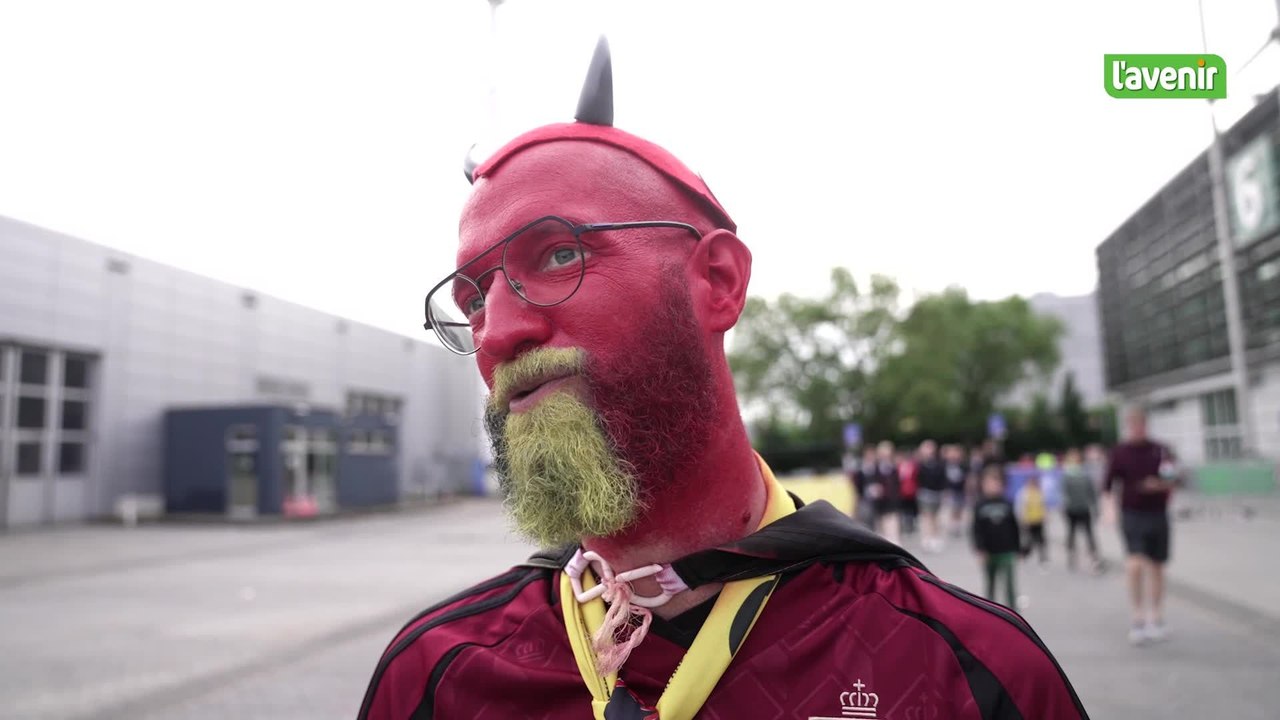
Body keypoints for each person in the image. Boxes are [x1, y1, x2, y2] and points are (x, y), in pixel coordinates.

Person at [359, 37, 1088, 719]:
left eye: (557, 256)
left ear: (717, 281)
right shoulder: (432, 677)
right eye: (475, 300)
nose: (500, 331)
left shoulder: (968, 671)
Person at [1104, 407, 1181, 646]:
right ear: (1128, 427)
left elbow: (1173, 479)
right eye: (1133, 425)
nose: (1137, 429)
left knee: (1157, 566)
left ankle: (1156, 617)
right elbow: (1107, 485)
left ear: (1146, 425)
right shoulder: (1120, 452)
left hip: (1157, 513)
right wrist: (1109, 510)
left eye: (1141, 425)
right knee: (1135, 564)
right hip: (1132, 514)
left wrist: (1158, 485)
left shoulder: (1160, 450)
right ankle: (1137, 617)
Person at [972, 466, 1023, 610]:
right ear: (983, 485)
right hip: (989, 551)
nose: (993, 487)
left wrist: (1018, 549)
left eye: (996, 483)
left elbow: (1015, 527)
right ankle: (990, 610)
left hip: (1006, 550)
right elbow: (976, 529)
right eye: (989, 483)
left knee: (1009, 583)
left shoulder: (1007, 503)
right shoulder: (980, 505)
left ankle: (1013, 610)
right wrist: (980, 549)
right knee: (990, 583)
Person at [1060, 447, 1104, 574]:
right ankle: (1071, 555)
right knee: (1071, 533)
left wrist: (1095, 508)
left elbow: (1092, 493)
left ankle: (1094, 558)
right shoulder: (1066, 474)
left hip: (1084, 508)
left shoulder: (1085, 474)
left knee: (1089, 534)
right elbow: (1062, 492)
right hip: (1071, 509)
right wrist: (1064, 506)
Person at [915, 439, 948, 552]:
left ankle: (935, 537)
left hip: (937, 493)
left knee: (935, 517)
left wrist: (944, 491)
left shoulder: (939, 463)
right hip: (924, 493)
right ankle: (926, 538)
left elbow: (943, 479)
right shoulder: (919, 464)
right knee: (926, 516)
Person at [1016, 474, 1049, 569]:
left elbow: (1043, 505)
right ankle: (1023, 555)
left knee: (1041, 540)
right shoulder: (1023, 493)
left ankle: (1043, 558)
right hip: (1028, 520)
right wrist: (1022, 518)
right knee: (1028, 541)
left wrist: (1045, 515)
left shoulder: (1039, 492)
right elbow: (1020, 507)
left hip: (1038, 520)